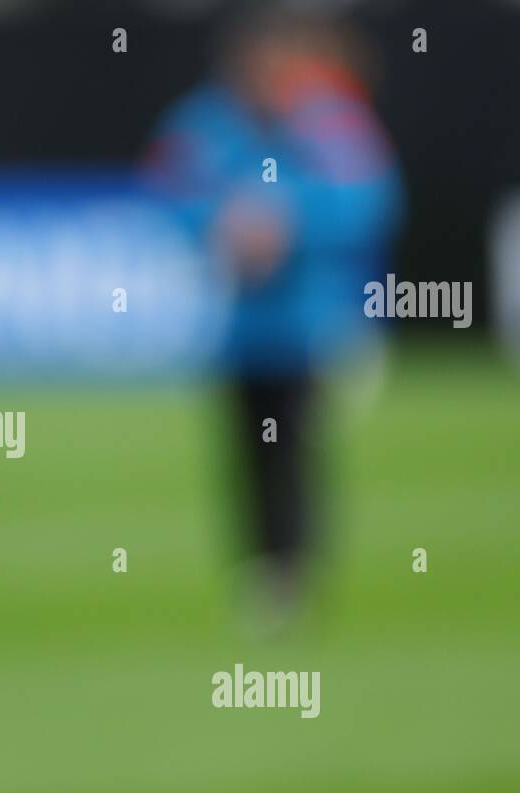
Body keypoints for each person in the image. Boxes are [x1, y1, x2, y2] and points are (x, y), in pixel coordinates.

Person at [140, 9, 402, 631]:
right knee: (245, 450)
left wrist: (290, 225)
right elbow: (170, 191)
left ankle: (294, 568)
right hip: (238, 329)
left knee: (293, 449)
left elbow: (371, 200)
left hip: (309, 323)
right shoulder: (207, 123)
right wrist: (222, 228)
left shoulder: (329, 120)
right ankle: (261, 565)